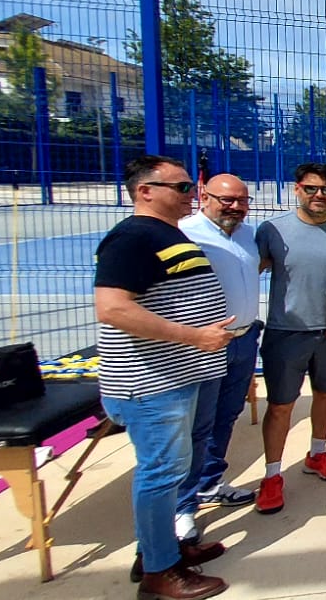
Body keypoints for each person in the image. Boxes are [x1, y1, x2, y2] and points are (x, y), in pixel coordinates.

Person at [94, 155, 232, 598]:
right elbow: (113, 308)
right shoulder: (132, 238)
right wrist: (194, 336)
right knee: (161, 472)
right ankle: (160, 571)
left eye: (191, 186)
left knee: (174, 468)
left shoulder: (166, 234)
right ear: (145, 191)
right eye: (182, 187)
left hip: (178, 377)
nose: (192, 193)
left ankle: (160, 549)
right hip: (151, 383)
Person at [254, 163, 326, 515]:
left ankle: (317, 454)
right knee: (281, 405)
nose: (319, 195)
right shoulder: (272, 230)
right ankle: (272, 476)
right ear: (297, 189)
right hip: (286, 332)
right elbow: (249, 270)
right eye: (311, 188)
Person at [175, 173, 260, 539]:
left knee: (226, 416)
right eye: (227, 199)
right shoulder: (183, 233)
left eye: (242, 200)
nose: (235, 207)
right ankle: (183, 506)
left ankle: (210, 483)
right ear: (204, 196)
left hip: (244, 339)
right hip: (204, 345)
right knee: (196, 427)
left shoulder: (248, 234)